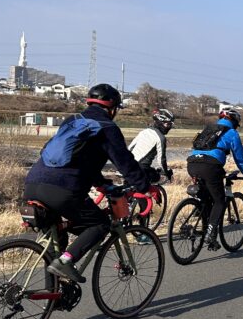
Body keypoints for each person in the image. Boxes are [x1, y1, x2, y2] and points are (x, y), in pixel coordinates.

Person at [24, 83, 151, 284]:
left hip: (32, 183)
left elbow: (74, 158)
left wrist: (100, 183)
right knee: (100, 224)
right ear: (112, 108)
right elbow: (125, 162)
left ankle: (54, 293)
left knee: (57, 238)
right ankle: (66, 261)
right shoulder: (107, 127)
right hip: (63, 190)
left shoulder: (73, 120)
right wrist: (145, 187)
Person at [187, 107, 243, 252]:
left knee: (207, 200)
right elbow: (240, 157)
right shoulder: (232, 133)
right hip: (211, 167)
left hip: (192, 164)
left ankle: (204, 225)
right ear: (234, 121)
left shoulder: (208, 129)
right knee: (219, 201)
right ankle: (210, 234)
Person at [129, 108, 175, 184]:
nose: (169, 127)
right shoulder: (161, 138)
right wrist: (166, 172)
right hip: (142, 168)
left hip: (128, 165)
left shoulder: (144, 131)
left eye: (170, 124)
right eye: (167, 124)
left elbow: (130, 147)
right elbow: (161, 160)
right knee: (159, 178)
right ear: (160, 123)